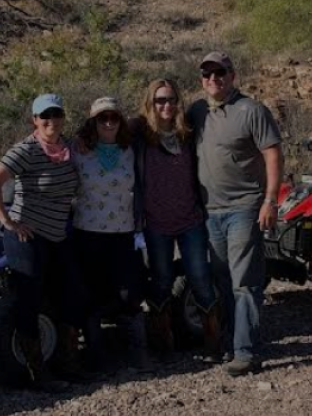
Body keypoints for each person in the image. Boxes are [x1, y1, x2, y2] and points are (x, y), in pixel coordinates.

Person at [0, 93, 89, 392]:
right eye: (45, 116)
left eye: (56, 114)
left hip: (58, 233)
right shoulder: (26, 149)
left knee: (73, 292)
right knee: (28, 297)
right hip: (27, 235)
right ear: (35, 120)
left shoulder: (69, 148)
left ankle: (68, 360)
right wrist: (8, 222)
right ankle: (36, 372)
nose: (51, 121)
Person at [186, 51, 283, 376]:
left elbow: (272, 154)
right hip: (210, 211)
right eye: (207, 73)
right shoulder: (197, 111)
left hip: (244, 207)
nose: (213, 78)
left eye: (220, 72)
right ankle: (232, 341)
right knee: (222, 280)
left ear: (232, 75)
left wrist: (270, 200)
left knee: (245, 282)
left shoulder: (251, 110)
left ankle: (246, 351)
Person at [129, 79, 220, 362]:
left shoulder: (187, 133)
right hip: (156, 223)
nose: (166, 105)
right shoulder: (140, 133)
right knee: (161, 281)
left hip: (189, 218)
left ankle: (213, 342)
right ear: (150, 103)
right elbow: (106, 132)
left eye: (170, 99)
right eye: (159, 100)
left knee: (200, 278)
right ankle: (163, 344)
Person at [70, 96, 151, 372]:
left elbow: (148, 122)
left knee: (130, 292)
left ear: (121, 120)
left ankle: (138, 351)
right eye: (101, 118)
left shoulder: (131, 148)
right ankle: (96, 355)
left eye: (113, 117)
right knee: (91, 294)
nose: (108, 123)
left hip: (123, 232)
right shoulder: (78, 149)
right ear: (92, 122)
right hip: (88, 233)